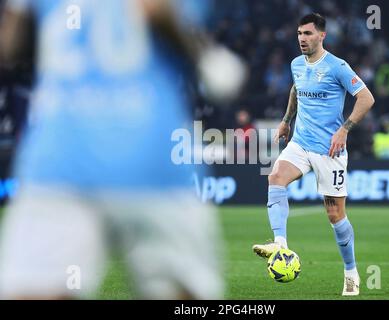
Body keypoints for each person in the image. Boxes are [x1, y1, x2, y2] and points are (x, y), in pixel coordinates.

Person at [0, 0, 246, 299]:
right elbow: (162, 13)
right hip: (147, 160)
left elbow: (10, 45)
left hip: (60, 161)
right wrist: (205, 55)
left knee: (34, 290)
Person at [252, 13, 375, 296]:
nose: (302, 39)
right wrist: (286, 120)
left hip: (329, 150)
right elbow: (296, 89)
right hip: (300, 142)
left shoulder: (337, 67)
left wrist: (344, 129)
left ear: (322, 36)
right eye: (299, 34)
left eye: (307, 34)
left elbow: (366, 98)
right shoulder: (296, 64)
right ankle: (280, 244)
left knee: (335, 215)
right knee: (276, 177)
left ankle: (351, 272)